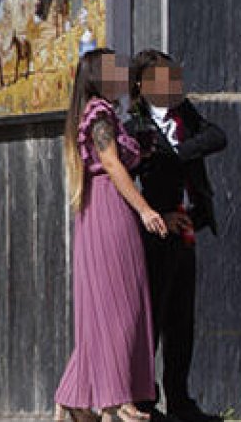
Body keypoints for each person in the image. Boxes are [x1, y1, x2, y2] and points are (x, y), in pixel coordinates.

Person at [55, 49, 167, 422]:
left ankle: (77, 394)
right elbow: (112, 164)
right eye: (116, 70)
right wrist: (145, 208)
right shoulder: (100, 114)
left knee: (103, 309)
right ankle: (116, 399)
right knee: (121, 307)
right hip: (110, 210)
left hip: (97, 210)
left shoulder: (95, 112)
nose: (123, 74)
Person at [126, 50, 227, 422]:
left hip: (188, 226)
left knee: (182, 320)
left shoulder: (184, 112)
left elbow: (217, 137)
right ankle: (143, 399)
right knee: (152, 316)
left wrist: (179, 153)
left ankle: (180, 398)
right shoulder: (133, 123)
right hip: (154, 231)